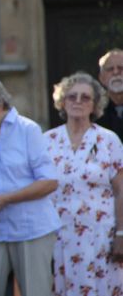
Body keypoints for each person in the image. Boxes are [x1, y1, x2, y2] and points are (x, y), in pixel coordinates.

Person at [0, 75, 60, 296]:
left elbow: (49, 181)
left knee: (35, 291)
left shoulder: (28, 129)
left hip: (31, 227)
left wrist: (6, 199)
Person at [45, 72, 123, 295]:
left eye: (85, 97)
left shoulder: (108, 140)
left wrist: (121, 234)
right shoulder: (47, 140)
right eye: (71, 96)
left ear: (95, 105)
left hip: (101, 234)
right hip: (59, 234)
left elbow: (121, 190)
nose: (77, 101)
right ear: (62, 101)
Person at [97, 49, 123, 140]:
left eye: (121, 68)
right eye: (110, 69)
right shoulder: (93, 113)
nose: (116, 72)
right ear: (101, 78)